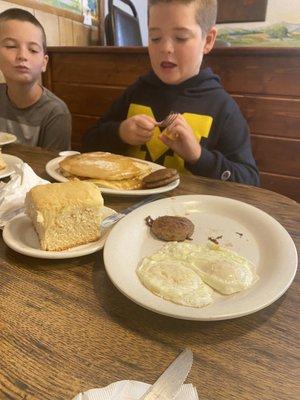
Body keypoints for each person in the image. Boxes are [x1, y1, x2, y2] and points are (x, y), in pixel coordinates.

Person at [83, 0, 259, 185]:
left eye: (181, 38)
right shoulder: (136, 92)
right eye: (155, 38)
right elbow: (88, 144)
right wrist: (120, 133)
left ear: (208, 40)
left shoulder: (223, 107)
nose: (165, 48)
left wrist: (198, 156)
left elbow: (250, 182)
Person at [0, 8, 71, 151]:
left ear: (44, 63)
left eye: (32, 50)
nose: (22, 56)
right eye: (11, 46)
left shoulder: (56, 113)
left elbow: (51, 168)